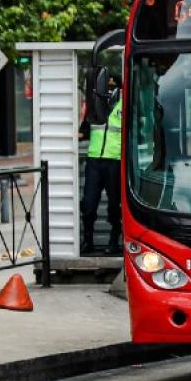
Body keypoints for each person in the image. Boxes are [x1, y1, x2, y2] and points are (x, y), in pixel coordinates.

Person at [81, 74, 122, 255]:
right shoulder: (95, 103)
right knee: (88, 205)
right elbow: (83, 130)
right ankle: (87, 241)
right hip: (94, 160)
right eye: (107, 87)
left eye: (114, 87)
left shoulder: (125, 104)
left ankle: (114, 241)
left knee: (115, 206)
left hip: (115, 160)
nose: (110, 90)